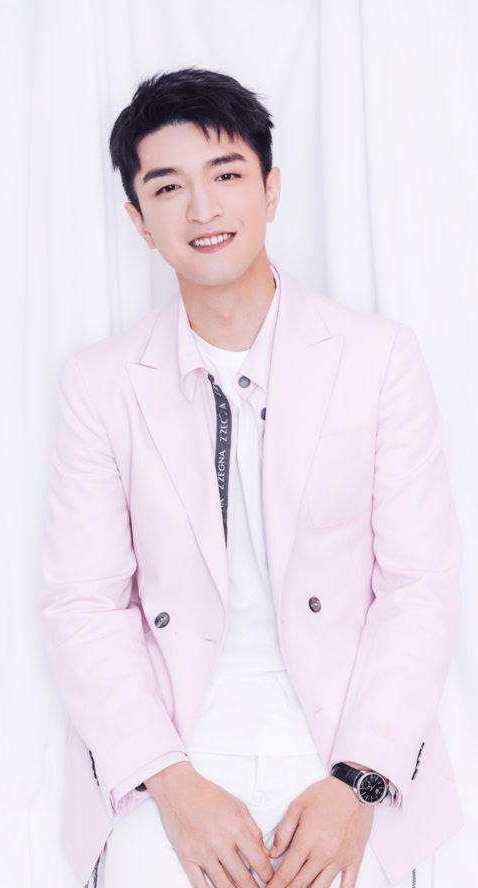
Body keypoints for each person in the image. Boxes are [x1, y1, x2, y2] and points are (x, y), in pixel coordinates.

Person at [39, 67, 464, 888]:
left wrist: (357, 781)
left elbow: (420, 587)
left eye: (226, 175)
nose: (202, 209)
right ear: (138, 220)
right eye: (169, 187)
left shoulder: (378, 358)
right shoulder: (100, 384)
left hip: (341, 737)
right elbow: (82, 605)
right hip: (173, 745)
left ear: (270, 189)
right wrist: (170, 782)